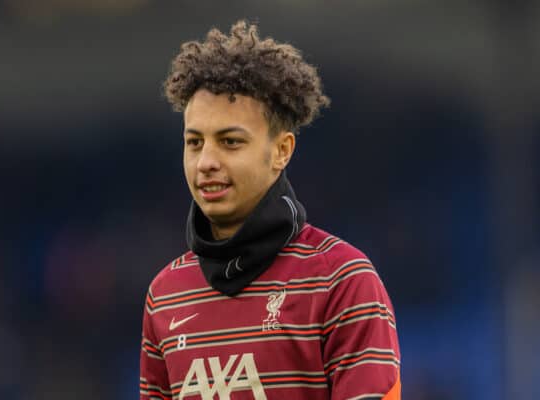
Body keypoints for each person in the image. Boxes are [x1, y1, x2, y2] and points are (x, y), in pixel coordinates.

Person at [140, 20, 401, 400]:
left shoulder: (342, 281)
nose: (205, 162)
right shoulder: (165, 295)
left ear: (282, 151)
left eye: (230, 142)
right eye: (194, 143)